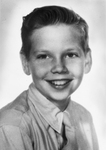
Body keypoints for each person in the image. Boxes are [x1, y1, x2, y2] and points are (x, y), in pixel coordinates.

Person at [0, 5, 99, 150]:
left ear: (87, 60)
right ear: (26, 63)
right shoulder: (12, 126)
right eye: (44, 56)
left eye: (70, 54)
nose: (59, 67)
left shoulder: (84, 118)